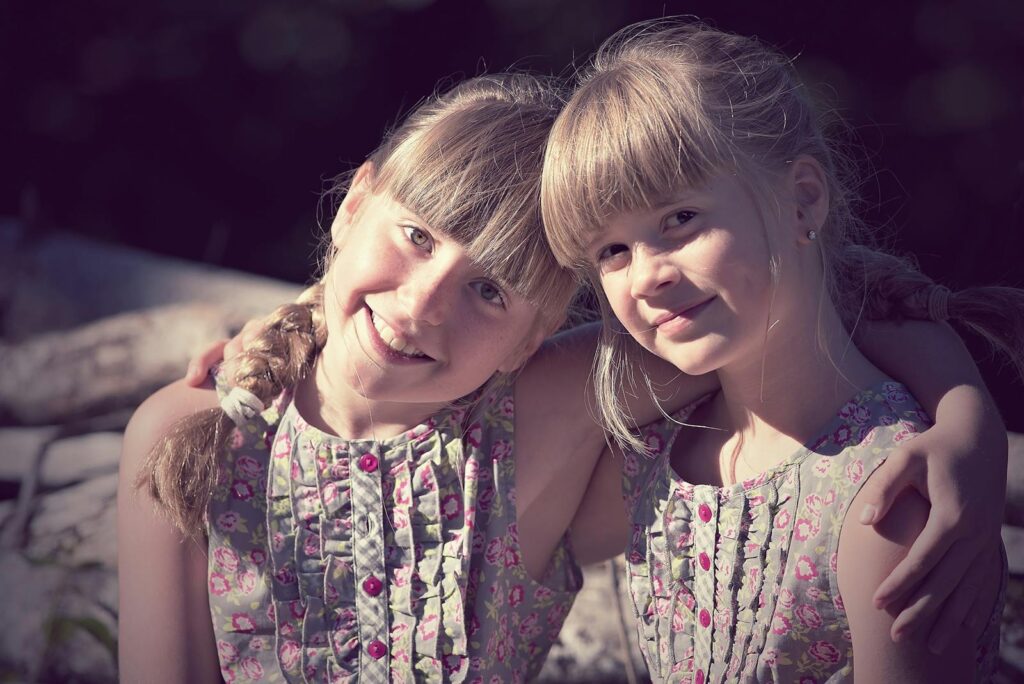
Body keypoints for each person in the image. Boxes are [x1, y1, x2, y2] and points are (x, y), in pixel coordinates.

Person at [137, 71, 1002, 683]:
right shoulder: (195, 432)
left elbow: (799, 295)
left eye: (491, 289)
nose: (425, 305)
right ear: (356, 202)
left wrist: (969, 424)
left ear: (536, 335)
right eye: (416, 236)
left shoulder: (546, 408)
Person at [539, 19, 1017, 682]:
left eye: (679, 219)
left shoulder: (889, 501)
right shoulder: (653, 461)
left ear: (802, 201)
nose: (648, 276)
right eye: (612, 251)